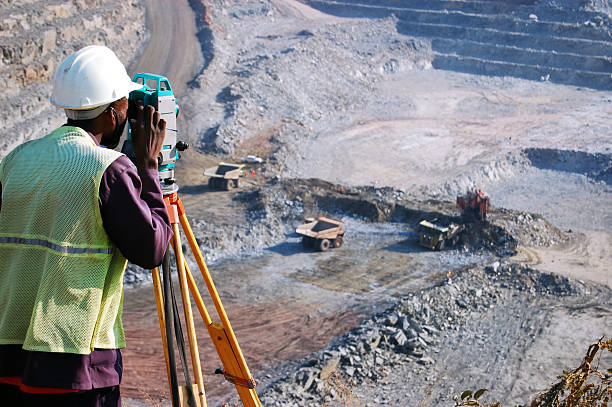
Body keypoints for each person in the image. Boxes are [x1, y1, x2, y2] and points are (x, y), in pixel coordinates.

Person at [0, 45, 173, 406]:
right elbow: (154, 249)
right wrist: (150, 169)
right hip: (75, 362)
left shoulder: (16, 159)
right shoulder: (108, 169)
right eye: (126, 106)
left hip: (9, 353)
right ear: (112, 114)